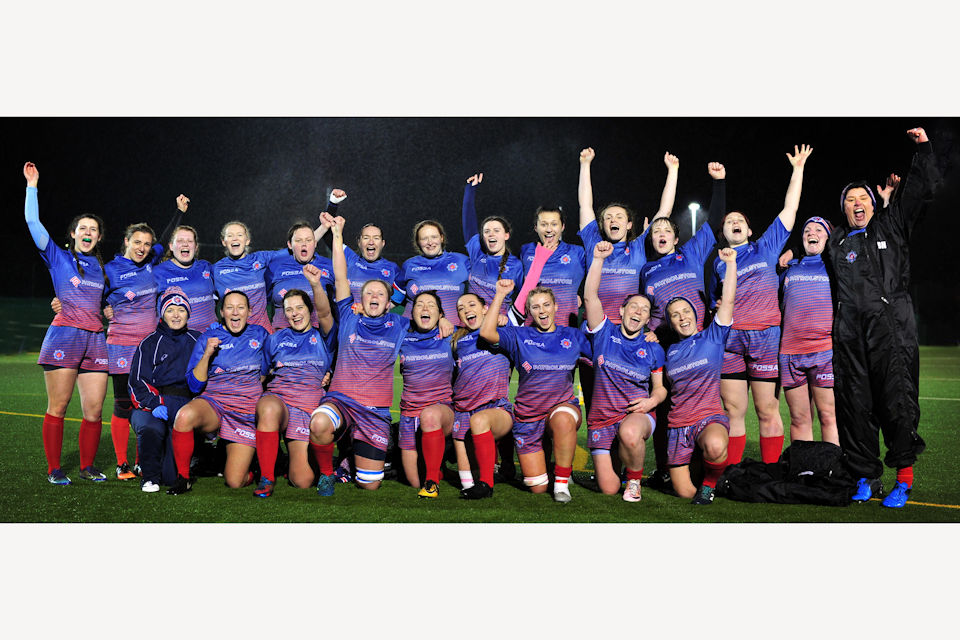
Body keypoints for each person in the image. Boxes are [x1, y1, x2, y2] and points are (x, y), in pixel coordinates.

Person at [826, 127, 940, 508]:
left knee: (897, 403)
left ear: (874, 204)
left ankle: (903, 480)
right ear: (842, 209)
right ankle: (865, 476)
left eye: (863, 197)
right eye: (850, 200)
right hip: (849, 337)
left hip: (891, 331)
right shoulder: (837, 241)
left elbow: (921, 191)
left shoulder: (891, 226)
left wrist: (922, 149)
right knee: (855, 406)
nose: (857, 203)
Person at [710, 144, 813, 466]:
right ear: (723, 232)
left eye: (740, 220)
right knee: (733, 411)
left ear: (750, 230)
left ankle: (768, 471)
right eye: (729, 222)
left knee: (766, 409)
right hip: (731, 341)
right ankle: (732, 471)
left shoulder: (765, 247)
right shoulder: (718, 261)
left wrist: (797, 169)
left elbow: (790, 210)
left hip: (765, 337)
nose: (734, 223)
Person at [639, 162, 727, 491]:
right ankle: (666, 466)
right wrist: (652, 330)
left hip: (703, 342)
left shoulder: (690, 253)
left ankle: (710, 468)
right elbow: (651, 310)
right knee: (669, 406)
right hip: (667, 346)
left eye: (667, 232)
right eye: (656, 232)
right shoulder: (646, 271)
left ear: (676, 237)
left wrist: (718, 184)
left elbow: (715, 221)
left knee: (708, 403)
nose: (661, 236)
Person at [308, 214, 410, 491]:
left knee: (369, 485)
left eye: (380, 293)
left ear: (389, 303)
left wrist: (445, 320)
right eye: (368, 294)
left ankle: (351, 457)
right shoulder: (348, 316)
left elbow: (428, 318)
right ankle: (327, 473)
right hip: (341, 400)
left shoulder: (400, 325)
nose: (374, 296)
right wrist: (338, 233)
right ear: (360, 303)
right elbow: (341, 276)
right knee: (318, 423)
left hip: (374, 412)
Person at [24, 162, 110, 484]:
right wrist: (32, 185)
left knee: (94, 411)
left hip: (96, 340)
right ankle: (54, 469)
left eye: (93, 230)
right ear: (73, 234)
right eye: (82, 228)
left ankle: (87, 467)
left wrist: (110, 311)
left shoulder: (104, 268)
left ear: (99, 237)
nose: (87, 233)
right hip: (65, 337)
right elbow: (32, 221)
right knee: (58, 407)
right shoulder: (57, 257)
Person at [479, 280, 591, 503]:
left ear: (555, 307)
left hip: (562, 408)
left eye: (546, 305)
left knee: (562, 421)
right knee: (538, 488)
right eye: (536, 307)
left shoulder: (573, 336)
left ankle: (561, 483)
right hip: (528, 416)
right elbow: (487, 333)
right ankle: (550, 469)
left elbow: (602, 355)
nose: (542, 311)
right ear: (529, 311)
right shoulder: (519, 336)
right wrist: (500, 295)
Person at [583, 242, 666, 502]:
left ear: (647, 320)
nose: (638, 311)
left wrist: (652, 401)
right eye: (633, 306)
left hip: (636, 414)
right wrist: (597, 259)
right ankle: (614, 468)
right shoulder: (604, 333)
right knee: (608, 488)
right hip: (602, 419)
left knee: (629, 433)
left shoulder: (653, 348)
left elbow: (660, 388)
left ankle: (634, 481)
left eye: (644, 310)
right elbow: (589, 298)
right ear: (621, 311)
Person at [167, 290, 270, 494]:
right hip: (214, 404)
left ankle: (252, 465)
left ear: (249, 312)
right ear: (222, 312)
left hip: (244, 412)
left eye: (241, 307)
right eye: (229, 307)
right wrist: (207, 354)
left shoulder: (261, 335)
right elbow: (195, 385)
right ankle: (183, 478)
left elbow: (268, 371)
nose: (235, 312)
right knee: (184, 416)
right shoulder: (209, 337)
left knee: (235, 481)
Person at [663, 247, 739, 504]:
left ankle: (709, 485)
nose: (681, 317)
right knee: (684, 493)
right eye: (675, 315)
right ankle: (697, 473)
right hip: (677, 426)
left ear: (695, 316)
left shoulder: (712, 337)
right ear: (670, 323)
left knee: (716, 446)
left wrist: (730, 265)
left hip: (708, 418)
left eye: (685, 311)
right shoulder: (668, 351)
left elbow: (727, 301)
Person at [253, 275, 336, 498]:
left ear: (310, 310)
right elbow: (262, 375)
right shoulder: (275, 339)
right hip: (280, 402)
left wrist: (316, 284)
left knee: (303, 481)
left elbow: (327, 313)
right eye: (289, 309)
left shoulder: (323, 337)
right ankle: (267, 477)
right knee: (268, 408)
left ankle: (283, 456)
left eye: (300, 307)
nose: (294, 313)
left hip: (306, 408)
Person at [577, 147, 679, 323]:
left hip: (630, 327)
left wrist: (673, 171)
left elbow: (665, 211)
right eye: (608, 218)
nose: (613, 220)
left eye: (619, 217)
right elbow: (585, 205)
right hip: (596, 326)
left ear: (629, 224)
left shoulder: (638, 247)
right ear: (602, 225)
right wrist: (585, 165)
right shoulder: (594, 242)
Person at [102, 221, 167, 480]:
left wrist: (179, 212)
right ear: (126, 241)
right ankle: (122, 464)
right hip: (120, 345)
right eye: (137, 242)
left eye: (147, 244)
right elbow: (90, 295)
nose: (142, 248)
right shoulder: (110, 270)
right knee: (123, 404)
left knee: (147, 404)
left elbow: (166, 234)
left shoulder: (152, 262)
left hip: (149, 348)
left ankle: (141, 462)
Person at [128, 288, 202, 491]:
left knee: (171, 477)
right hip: (156, 404)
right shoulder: (150, 342)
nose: (176, 315)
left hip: (185, 406)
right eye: (170, 310)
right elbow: (136, 382)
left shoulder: (198, 339)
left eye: (181, 310)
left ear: (188, 313)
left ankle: (194, 459)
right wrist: (154, 404)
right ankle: (149, 476)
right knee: (150, 427)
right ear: (162, 313)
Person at [778, 216, 838, 446]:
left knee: (827, 416)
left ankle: (831, 470)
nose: (812, 233)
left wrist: (792, 249)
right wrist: (792, 252)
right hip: (790, 354)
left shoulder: (834, 267)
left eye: (819, 230)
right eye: (807, 230)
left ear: (829, 237)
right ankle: (805, 471)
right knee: (799, 418)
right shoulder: (788, 268)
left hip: (824, 353)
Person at [453, 293, 514, 499]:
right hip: (463, 410)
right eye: (461, 308)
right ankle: (486, 475)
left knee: (479, 421)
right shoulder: (457, 340)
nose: (467, 309)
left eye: (472, 304)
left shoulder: (500, 331)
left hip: (495, 409)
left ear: (485, 308)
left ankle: (487, 485)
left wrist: (501, 304)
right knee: (467, 482)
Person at [398, 291, 456, 497]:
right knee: (413, 481)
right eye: (419, 304)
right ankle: (438, 467)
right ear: (411, 313)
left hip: (441, 411)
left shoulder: (451, 334)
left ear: (440, 314)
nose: (424, 308)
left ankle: (432, 482)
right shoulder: (402, 336)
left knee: (429, 416)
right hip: (409, 414)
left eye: (431, 305)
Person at [315, 189, 401, 305]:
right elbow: (329, 236)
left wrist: (384, 309)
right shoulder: (350, 259)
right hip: (346, 322)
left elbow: (403, 293)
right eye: (366, 238)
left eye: (376, 238)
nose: (371, 242)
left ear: (383, 243)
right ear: (359, 243)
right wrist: (333, 204)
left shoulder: (392, 268)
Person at [461, 173, 524, 323]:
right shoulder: (477, 252)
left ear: (506, 235)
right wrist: (470, 190)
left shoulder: (516, 265)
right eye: (487, 231)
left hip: (499, 325)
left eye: (496, 230)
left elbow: (525, 298)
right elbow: (468, 220)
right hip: (472, 323)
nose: (491, 234)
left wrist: (508, 319)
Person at [152, 195, 219, 331]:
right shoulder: (157, 272)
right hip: (176, 342)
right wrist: (108, 304)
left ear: (196, 247)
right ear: (171, 246)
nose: (185, 244)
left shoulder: (206, 267)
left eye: (189, 241)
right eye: (180, 241)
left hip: (208, 339)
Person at [515, 206, 585, 328]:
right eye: (543, 224)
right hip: (531, 328)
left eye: (554, 224)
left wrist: (579, 296)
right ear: (536, 227)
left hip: (566, 328)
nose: (549, 229)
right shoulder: (526, 251)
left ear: (562, 227)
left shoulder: (577, 252)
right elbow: (518, 287)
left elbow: (596, 281)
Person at [393, 219, 470, 326]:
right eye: (424, 238)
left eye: (434, 237)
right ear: (418, 242)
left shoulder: (461, 261)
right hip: (413, 333)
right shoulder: (409, 265)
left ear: (441, 238)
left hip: (452, 333)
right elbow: (393, 299)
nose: (430, 242)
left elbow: (483, 289)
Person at [264, 221, 334, 330]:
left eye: (308, 240)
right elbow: (263, 301)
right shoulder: (277, 267)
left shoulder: (329, 266)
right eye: (298, 240)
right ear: (290, 245)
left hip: (316, 336)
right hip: (281, 337)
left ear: (315, 243)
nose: (304, 244)